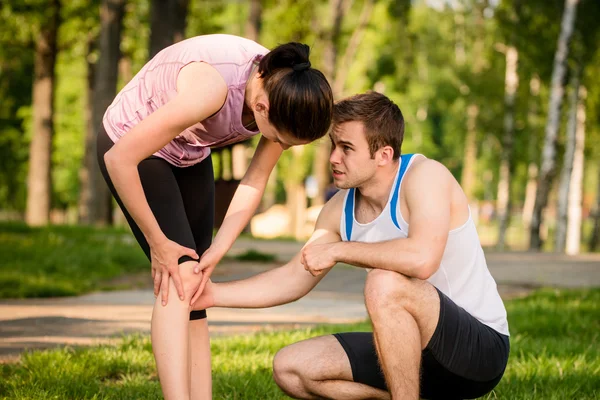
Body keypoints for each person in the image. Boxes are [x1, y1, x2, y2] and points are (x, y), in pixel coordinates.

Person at [192, 91, 510, 399]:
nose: (333, 157)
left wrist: (339, 250)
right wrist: (214, 294)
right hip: (411, 352)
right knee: (291, 368)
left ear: (383, 154)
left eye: (346, 148)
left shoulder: (425, 177)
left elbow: (422, 258)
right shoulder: (339, 209)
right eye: (333, 144)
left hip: (478, 351)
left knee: (384, 281)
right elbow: (295, 276)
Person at [97, 34, 333, 400]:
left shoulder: (280, 89)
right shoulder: (213, 90)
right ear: (262, 108)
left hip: (190, 149)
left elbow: (255, 179)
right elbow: (119, 159)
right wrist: (160, 244)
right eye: (283, 141)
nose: (282, 148)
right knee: (178, 276)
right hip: (132, 144)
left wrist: (217, 251)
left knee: (197, 284)